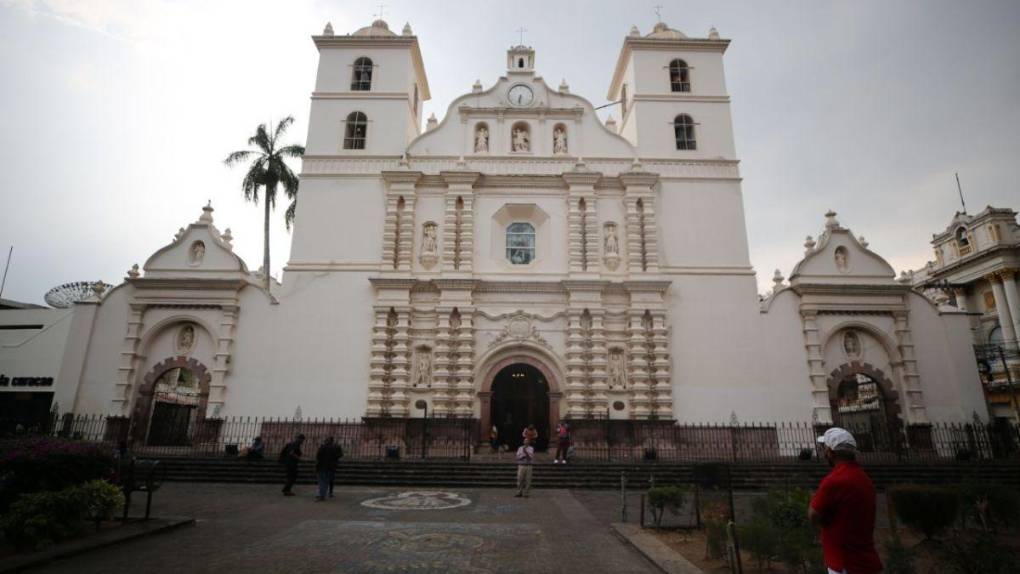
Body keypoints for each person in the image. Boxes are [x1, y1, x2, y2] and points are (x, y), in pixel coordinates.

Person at [808, 427, 883, 574]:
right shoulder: (864, 479)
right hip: (866, 560)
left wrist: (824, 522)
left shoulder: (834, 481)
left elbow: (813, 514)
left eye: (825, 448)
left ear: (830, 452)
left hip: (844, 563)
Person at [315, 437, 341, 501]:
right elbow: (338, 456)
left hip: (322, 466)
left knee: (321, 481)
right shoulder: (335, 448)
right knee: (326, 481)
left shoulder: (322, 447)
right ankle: (324, 494)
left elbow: (318, 456)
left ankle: (322, 495)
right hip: (330, 467)